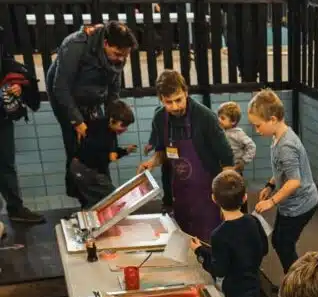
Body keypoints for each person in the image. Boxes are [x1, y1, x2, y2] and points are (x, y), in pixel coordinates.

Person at [138, 70, 234, 273]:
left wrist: (227, 198)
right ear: (161, 99)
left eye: (178, 100)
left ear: (186, 92)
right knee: (184, 244)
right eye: (168, 102)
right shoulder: (159, 118)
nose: (175, 107)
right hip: (179, 195)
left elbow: (227, 159)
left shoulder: (205, 117)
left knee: (210, 245)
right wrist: (151, 163)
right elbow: (161, 153)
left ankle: (215, 280)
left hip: (208, 195)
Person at [47, 21, 138, 199]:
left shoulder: (118, 56)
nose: (121, 59)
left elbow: (113, 90)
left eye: (124, 56)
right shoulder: (75, 45)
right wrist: (77, 121)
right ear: (105, 43)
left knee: (100, 139)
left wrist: (115, 116)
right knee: (78, 145)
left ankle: (103, 193)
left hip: (93, 98)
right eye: (117, 54)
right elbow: (61, 87)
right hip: (67, 98)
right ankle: (84, 197)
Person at [249, 89, 318, 273]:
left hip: (301, 204)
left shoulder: (286, 146)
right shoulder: (278, 136)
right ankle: (295, 279)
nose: (256, 130)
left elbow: (294, 181)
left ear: (272, 119)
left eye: (258, 125)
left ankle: (299, 283)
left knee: (284, 244)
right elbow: (282, 170)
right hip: (290, 203)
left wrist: (271, 202)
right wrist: (270, 185)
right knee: (279, 241)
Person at [0, 26, 44, 225]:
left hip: (2, 117)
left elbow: (8, 66)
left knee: (6, 164)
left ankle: (16, 208)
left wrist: (16, 85)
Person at [70, 99, 137, 208]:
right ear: (112, 120)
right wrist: (111, 156)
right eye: (123, 125)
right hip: (84, 169)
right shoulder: (99, 129)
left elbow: (109, 151)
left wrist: (124, 151)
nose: (125, 129)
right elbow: (99, 151)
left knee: (97, 201)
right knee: (112, 198)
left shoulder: (108, 129)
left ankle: (90, 216)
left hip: (84, 168)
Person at [217, 101, 257, 174]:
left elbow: (252, 146)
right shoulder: (220, 131)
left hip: (234, 170)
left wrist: (243, 161)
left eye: (222, 118)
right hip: (222, 170)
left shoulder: (238, 133)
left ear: (233, 121)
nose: (219, 120)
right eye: (218, 117)